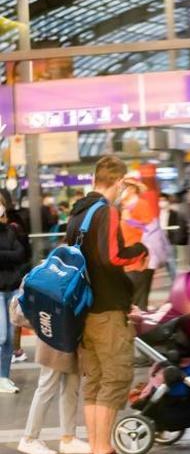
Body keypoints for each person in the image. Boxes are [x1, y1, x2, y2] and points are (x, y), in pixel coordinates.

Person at [65, 156, 147, 454]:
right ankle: (102, 448)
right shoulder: (106, 212)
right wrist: (140, 250)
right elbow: (113, 256)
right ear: (119, 181)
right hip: (108, 311)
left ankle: (98, 447)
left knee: (95, 382)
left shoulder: (78, 214)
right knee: (116, 378)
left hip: (83, 311)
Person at [17, 327, 90, 454]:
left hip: (72, 336)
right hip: (53, 335)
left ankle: (68, 438)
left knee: (71, 387)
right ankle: (29, 438)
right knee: (47, 387)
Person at [0, 194, 27, 394]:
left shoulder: (11, 230)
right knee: (1, 336)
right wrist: (8, 256)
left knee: (10, 337)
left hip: (12, 288)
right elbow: (13, 255)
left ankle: (4, 377)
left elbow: (20, 255)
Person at [119, 179, 154, 311]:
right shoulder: (122, 206)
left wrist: (131, 221)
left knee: (138, 300)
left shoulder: (141, 204)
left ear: (133, 189)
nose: (122, 189)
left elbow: (149, 228)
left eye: (125, 187)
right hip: (125, 257)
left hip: (139, 256)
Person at [158, 193, 187, 281]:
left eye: (163, 200)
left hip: (170, 240)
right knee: (166, 262)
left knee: (171, 260)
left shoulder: (174, 214)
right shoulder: (156, 214)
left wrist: (176, 239)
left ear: (168, 201)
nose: (161, 202)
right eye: (159, 200)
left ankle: (175, 280)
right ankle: (173, 278)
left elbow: (178, 227)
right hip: (160, 241)